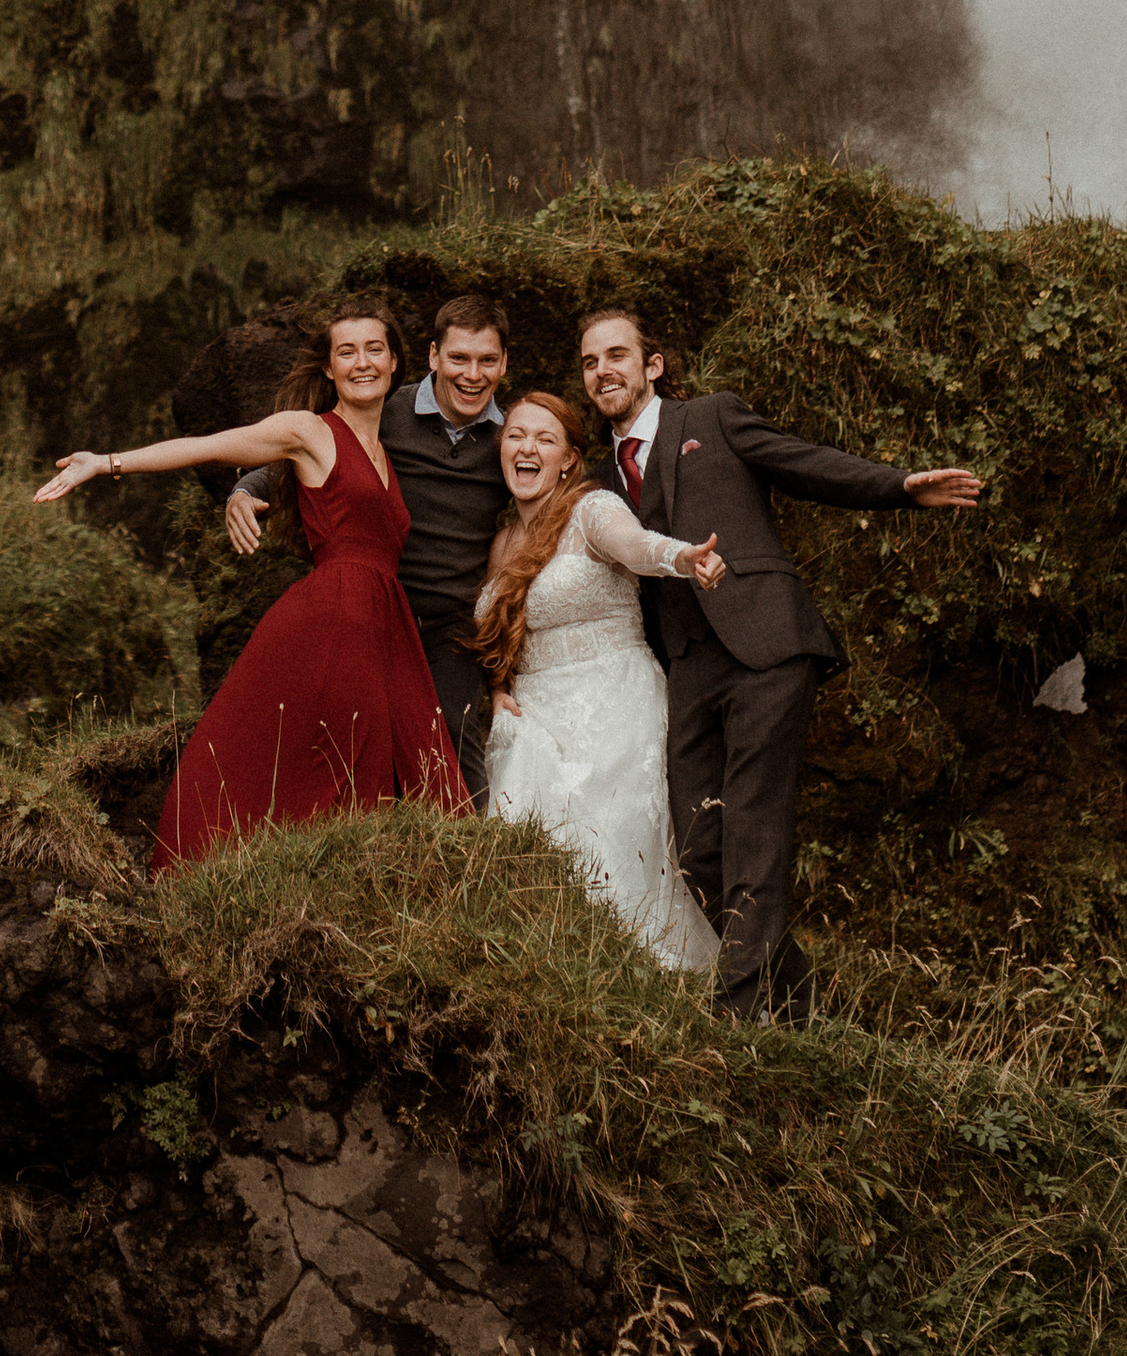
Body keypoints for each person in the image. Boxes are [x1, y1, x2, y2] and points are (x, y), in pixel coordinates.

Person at [578, 301, 982, 1022]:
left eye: (616, 355)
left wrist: (897, 487)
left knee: (755, 830)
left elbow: (805, 465)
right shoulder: (598, 479)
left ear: (652, 365)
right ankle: (800, 1010)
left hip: (767, 643)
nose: (603, 370)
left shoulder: (713, 418)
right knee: (699, 851)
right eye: (590, 362)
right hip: (689, 665)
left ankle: (734, 1022)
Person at [39, 294, 466, 869]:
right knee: (339, 760)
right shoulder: (309, 431)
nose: (362, 362)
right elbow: (209, 446)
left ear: (396, 364)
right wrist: (108, 462)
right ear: (328, 367)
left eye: (374, 350)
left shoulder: (387, 451)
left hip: (384, 622)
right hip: (336, 615)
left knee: (402, 764)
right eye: (347, 352)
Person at [226, 287, 511, 805]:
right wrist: (246, 489)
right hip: (380, 609)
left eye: (486, 361)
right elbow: (312, 451)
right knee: (358, 733)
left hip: (452, 620)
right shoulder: (387, 410)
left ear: (503, 364)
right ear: (431, 357)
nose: (472, 375)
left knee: (453, 730)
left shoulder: (507, 440)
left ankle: (474, 862)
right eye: (458, 359)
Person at [472, 384, 725, 968]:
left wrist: (680, 557)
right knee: (524, 841)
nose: (526, 447)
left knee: (616, 850)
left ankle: (651, 985)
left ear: (568, 459)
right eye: (515, 435)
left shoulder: (592, 508)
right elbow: (499, 635)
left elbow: (634, 546)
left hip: (613, 701)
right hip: (533, 714)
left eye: (545, 438)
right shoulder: (501, 543)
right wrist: (496, 689)